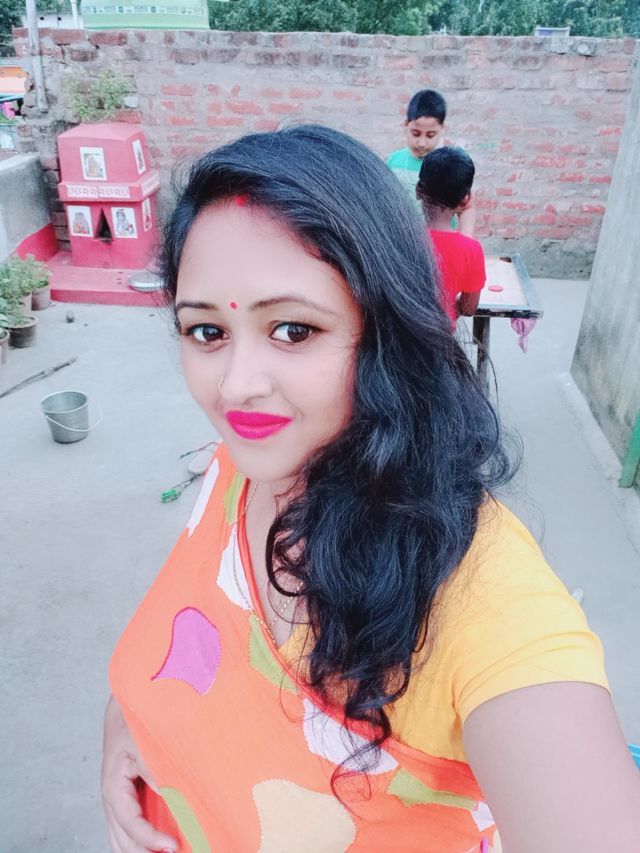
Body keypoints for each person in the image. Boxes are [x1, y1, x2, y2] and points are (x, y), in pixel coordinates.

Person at [101, 126, 640, 853]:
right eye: (205, 332)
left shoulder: (484, 604)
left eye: (293, 329)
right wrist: (128, 724)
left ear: (385, 330)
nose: (235, 386)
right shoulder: (242, 466)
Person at [387, 89, 475, 235]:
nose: (422, 143)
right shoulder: (393, 162)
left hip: (443, 241)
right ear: (406, 125)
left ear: (441, 128)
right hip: (405, 239)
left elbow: (467, 206)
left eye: (430, 135)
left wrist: (465, 239)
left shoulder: (448, 165)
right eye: (415, 134)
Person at [418, 146, 485, 326]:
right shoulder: (471, 250)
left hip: (397, 337)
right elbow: (468, 308)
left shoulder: (397, 238)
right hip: (440, 338)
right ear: (465, 199)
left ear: (418, 190)